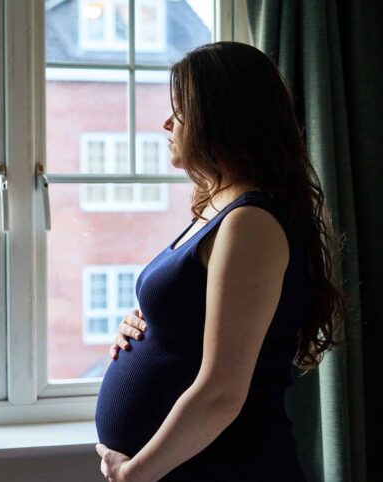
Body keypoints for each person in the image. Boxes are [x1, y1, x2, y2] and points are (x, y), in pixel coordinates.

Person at [94, 41, 346, 482]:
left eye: (181, 112)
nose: (167, 123)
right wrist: (143, 327)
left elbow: (222, 391)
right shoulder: (218, 208)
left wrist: (133, 474)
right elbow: (191, 324)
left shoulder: (251, 223)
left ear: (220, 119)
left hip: (227, 468)